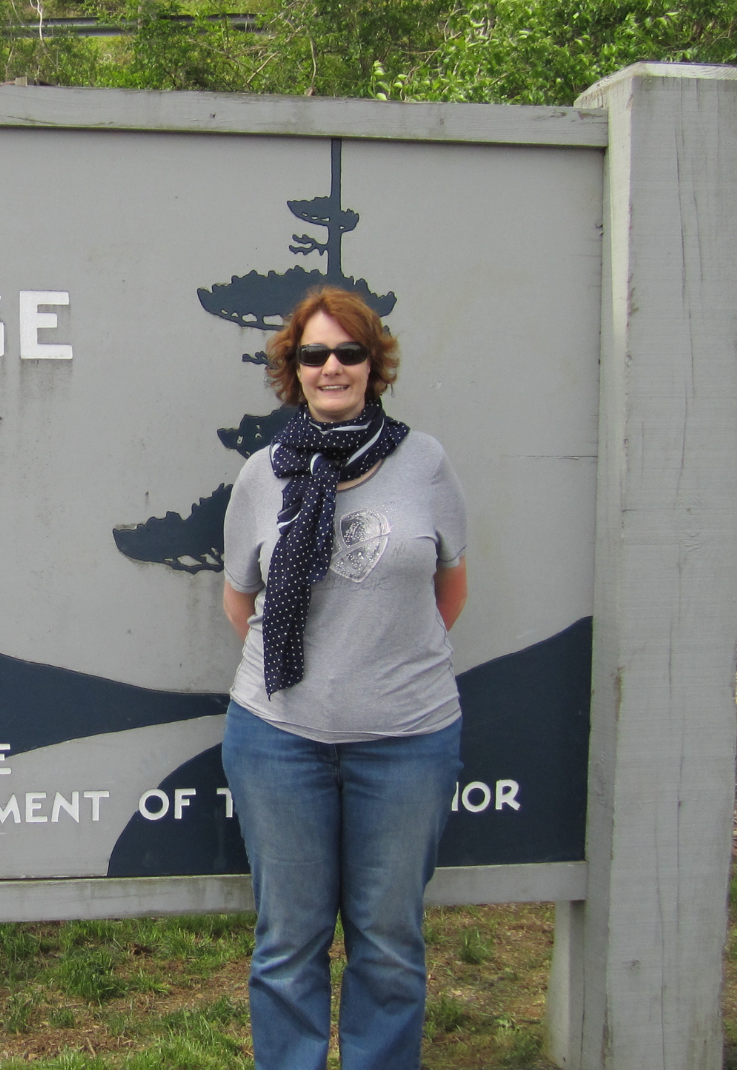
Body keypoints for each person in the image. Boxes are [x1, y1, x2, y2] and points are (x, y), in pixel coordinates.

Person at [220, 286, 468, 1070]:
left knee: (389, 946)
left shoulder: (424, 462)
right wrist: (309, 669)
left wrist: (378, 662)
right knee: (287, 945)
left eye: (348, 353)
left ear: (374, 365)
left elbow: (449, 591)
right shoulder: (263, 475)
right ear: (292, 371)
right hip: (278, 742)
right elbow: (241, 603)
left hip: (406, 743)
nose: (332, 367)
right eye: (314, 355)